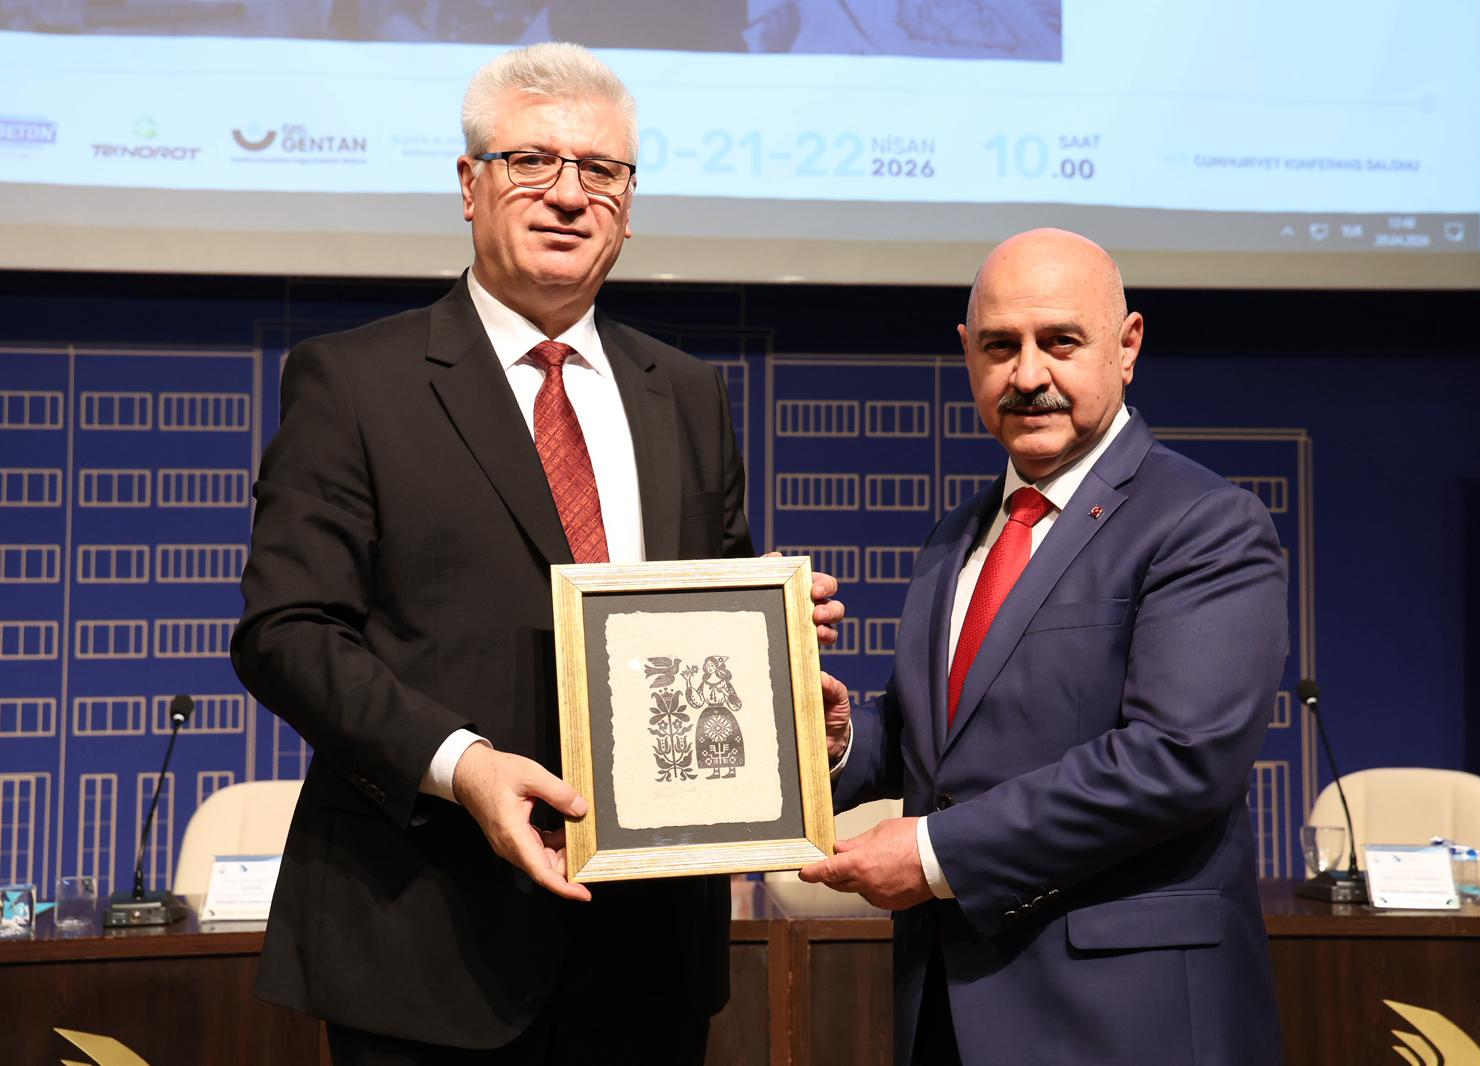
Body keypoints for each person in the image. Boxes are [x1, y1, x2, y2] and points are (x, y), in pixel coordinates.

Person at [232, 42, 840, 1065]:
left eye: (600, 170)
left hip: (649, 956)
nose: (567, 195)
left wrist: (778, 677)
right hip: (427, 941)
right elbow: (286, 633)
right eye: (531, 162)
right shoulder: (355, 382)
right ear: (469, 185)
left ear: (629, 207)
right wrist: (463, 766)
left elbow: (703, 615)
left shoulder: (688, 393)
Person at [800, 229, 1287, 1065]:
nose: (1028, 375)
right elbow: (938, 748)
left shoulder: (1205, 523)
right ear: (967, 355)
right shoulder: (956, 535)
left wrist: (932, 854)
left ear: (1127, 347)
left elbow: (1177, 760)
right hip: (946, 1007)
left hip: (1125, 1023)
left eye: (1060, 342)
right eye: (1000, 346)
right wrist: (843, 738)